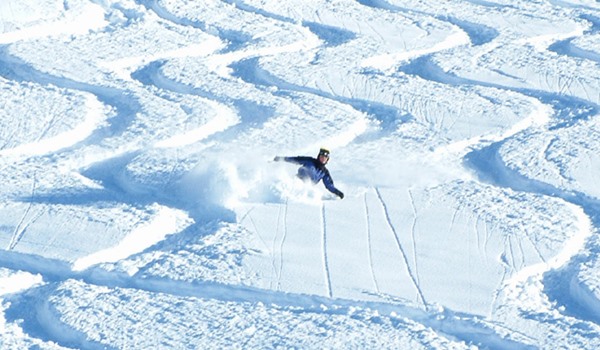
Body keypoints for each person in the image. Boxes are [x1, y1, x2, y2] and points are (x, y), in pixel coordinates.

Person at [274, 148, 344, 199]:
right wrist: (281, 158)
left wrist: (337, 192)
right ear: (318, 156)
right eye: (321, 156)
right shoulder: (310, 160)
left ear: (327, 160)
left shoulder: (324, 172)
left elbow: (329, 185)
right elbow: (295, 159)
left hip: (306, 188)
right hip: (296, 181)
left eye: (325, 158)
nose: (323, 159)